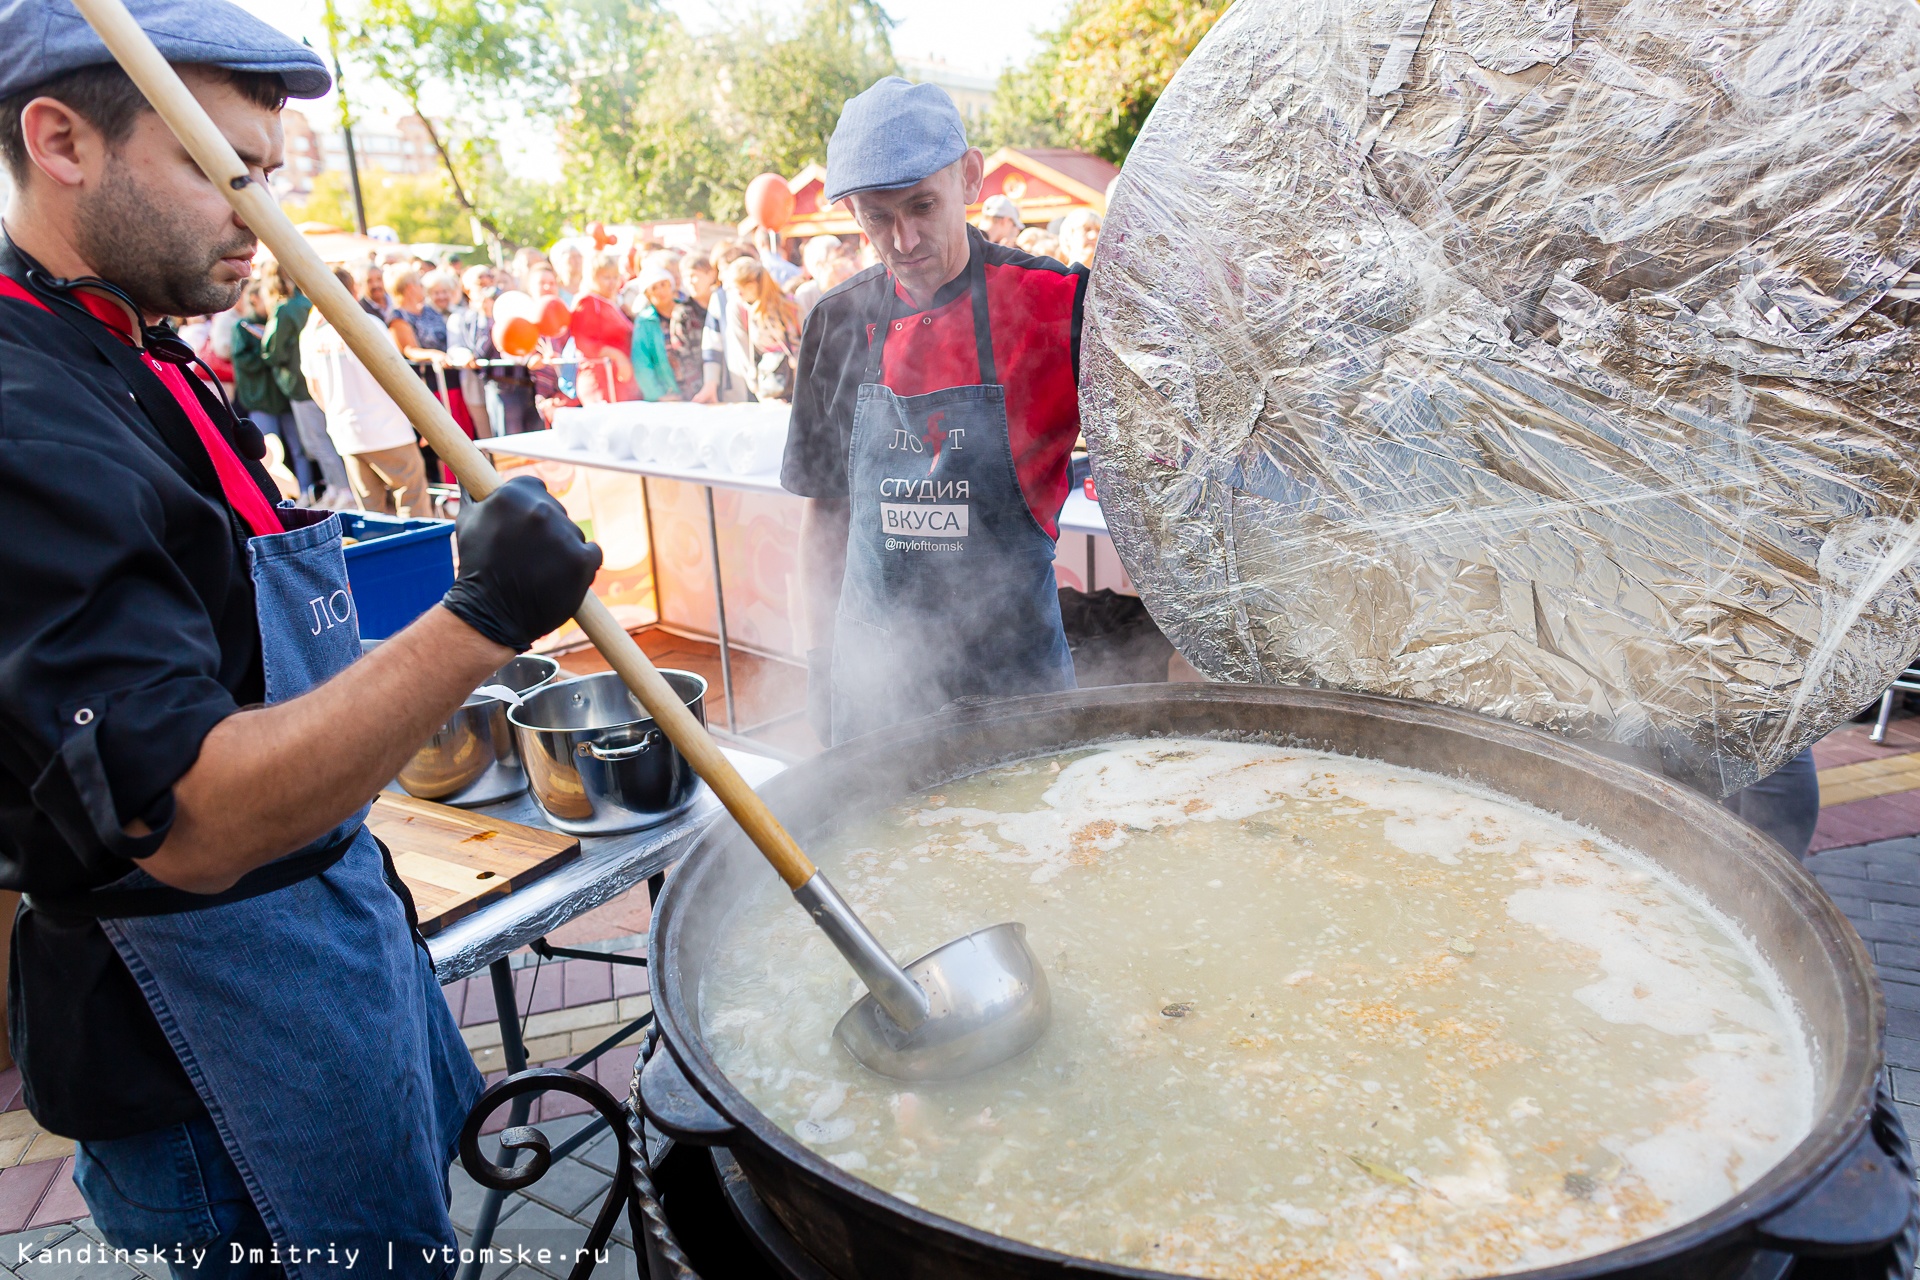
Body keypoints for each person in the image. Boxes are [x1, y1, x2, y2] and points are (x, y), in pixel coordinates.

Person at [0, 2, 602, 1268]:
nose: (262, 218)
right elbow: (197, 813)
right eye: (223, 171)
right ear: (61, 140)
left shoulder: (148, 356)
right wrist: (483, 616)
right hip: (208, 1055)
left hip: (331, 945)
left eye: (267, 178)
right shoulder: (24, 414)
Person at [785, 77, 1085, 743]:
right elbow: (824, 518)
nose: (904, 239)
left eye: (923, 205)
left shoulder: (1058, 305)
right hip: (876, 696)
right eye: (876, 217)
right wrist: (818, 667)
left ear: (970, 177)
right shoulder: (835, 323)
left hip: (1019, 688)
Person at [303, 268, 430, 515]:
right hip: (387, 429)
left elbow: (314, 387)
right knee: (412, 505)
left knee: (371, 513)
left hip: (347, 432)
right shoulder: (368, 325)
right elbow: (397, 377)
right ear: (354, 290)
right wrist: (422, 421)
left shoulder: (312, 336)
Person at [263, 258, 352, 503]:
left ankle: (342, 488)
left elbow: (273, 351)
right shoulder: (307, 305)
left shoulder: (285, 308)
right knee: (322, 439)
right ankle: (336, 486)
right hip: (318, 380)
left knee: (318, 441)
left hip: (303, 384)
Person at [229, 278, 304, 492]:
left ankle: (305, 490)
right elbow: (243, 361)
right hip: (261, 400)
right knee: (265, 455)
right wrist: (268, 352)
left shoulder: (277, 320)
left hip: (283, 397)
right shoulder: (241, 327)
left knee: (297, 449)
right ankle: (271, 496)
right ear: (254, 298)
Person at [725, 255, 800, 404]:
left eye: (745, 287)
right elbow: (743, 352)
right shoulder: (738, 308)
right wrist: (759, 392)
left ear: (758, 283)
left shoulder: (788, 303)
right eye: (736, 289)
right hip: (767, 383)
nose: (740, 294)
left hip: (797, 378)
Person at [569, 250, 637, 404]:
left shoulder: (609, 303)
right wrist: (618, 357)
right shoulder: (587, 302)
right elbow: (585, 343)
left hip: (618, 384)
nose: (612, 282)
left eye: (615, 277)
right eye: (606, 277)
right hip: (600, 382)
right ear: (592, 277)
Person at [694, 240, 756, 404]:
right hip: (737, 383)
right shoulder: (720, 298)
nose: (720, 277)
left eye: (723, 270)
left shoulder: (765, 298)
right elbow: (712, 344)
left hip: (769, 382)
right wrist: (710, 383)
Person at [629, 265, 681, 402]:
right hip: (668, 394)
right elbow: (641, 362)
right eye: (654, 288)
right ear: (647, 294)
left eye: (663, 284)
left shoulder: (687, 309)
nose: (660, 291)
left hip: (696, 388)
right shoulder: (645, 321)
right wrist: (658, 395)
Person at [668, 249, 712, 400]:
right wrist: (697, 390)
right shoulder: (683, 313)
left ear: (711, 275)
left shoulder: (721, 306)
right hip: (697, 390)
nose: (691, 281)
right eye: (686, 277)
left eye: (695, 276)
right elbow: (682, 355)